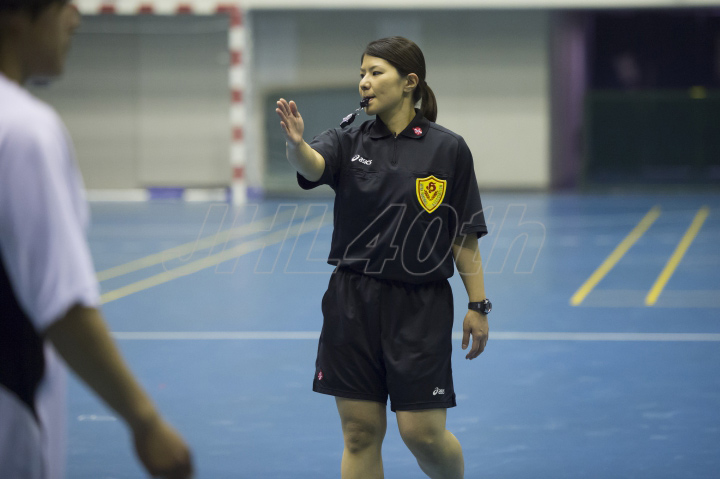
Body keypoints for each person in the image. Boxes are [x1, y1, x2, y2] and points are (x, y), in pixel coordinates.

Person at [276, 36, 491, 479]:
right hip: (352, 302)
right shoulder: (347, 139)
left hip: (420, 306)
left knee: (422, 434)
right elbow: (313, 166)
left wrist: (478, 304)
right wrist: (297, 146)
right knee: (359, 433)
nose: (364, 82)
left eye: (376, 73)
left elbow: (463, 234)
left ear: (410, 82)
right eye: (362, 73)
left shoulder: (448, 148)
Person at [0, 1, 193, 478]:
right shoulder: (23, 130)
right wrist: (145, 422)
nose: (76, 18)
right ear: (16, 16)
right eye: (63, 5)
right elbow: (63, 309)